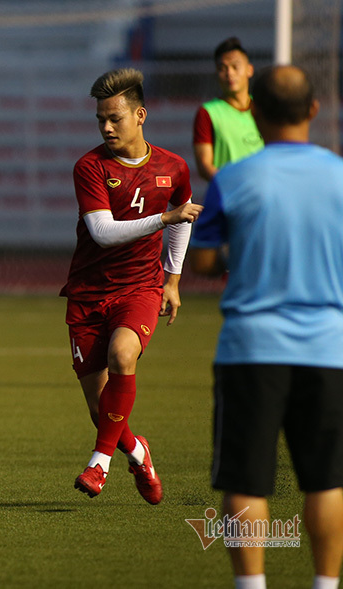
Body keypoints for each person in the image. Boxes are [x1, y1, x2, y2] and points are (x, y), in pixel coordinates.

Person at [190, 65, 343, 589]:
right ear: (314, 111)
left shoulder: (232, 179)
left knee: (247, 482)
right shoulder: (339, 176)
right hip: (329, 349)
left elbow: (205, 262)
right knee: (326, 481)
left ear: (255, 112)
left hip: (251, 348)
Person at [62, 68, 203, 504]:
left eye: (115, 118)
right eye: (101, 118)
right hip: (87, 293)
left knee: (124, 353)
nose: (106, 126)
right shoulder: (89, 167)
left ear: (140, 115)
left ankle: (98, 465)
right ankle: (138, 452)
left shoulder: (173, 167)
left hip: (139, 288)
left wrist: (173, 280)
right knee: (98, 409)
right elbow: (104, 232)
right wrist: (163, 219)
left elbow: (184, 220)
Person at [193, 37, 264, 182]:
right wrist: (232, 187)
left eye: (235, 66)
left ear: (249, 70)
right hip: (229, 200)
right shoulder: (208, 113)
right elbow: (204, 165)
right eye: (222, 68)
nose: (229, 73)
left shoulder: (264, 107)